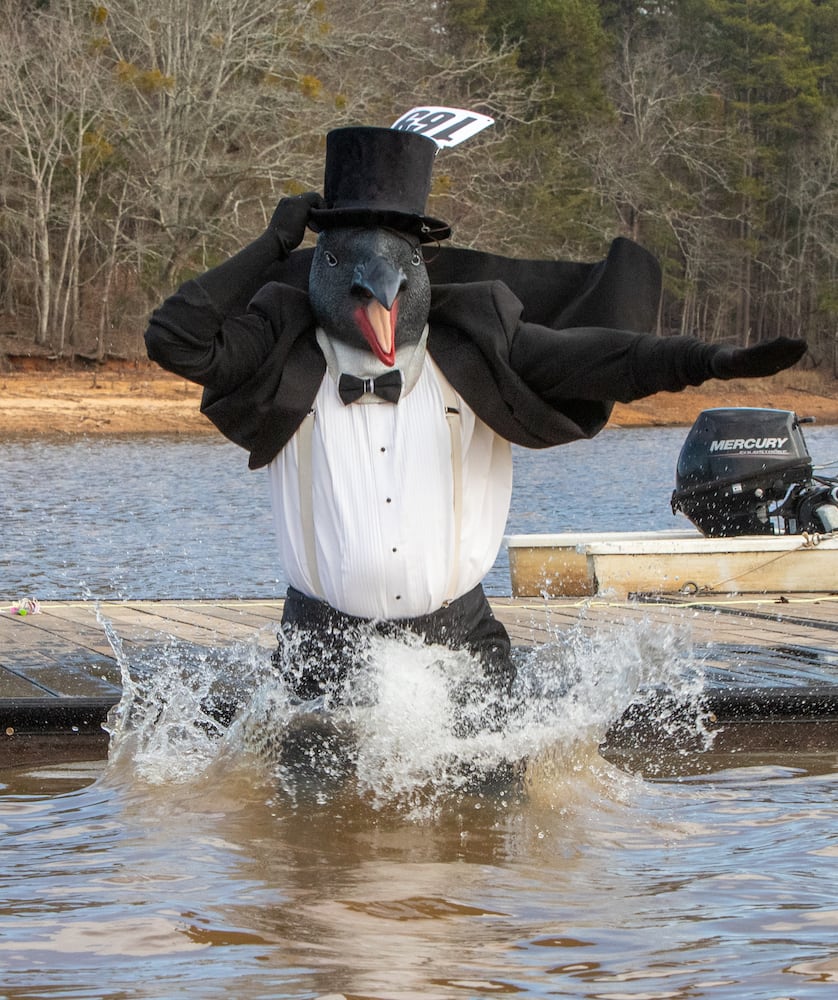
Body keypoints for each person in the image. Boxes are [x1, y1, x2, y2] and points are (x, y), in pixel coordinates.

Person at [145, 125, 806, 711]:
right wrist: (270, 245)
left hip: (458, 638)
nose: (378, 297)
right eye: (346, 264)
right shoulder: (279, 348)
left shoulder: (483, 346)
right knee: (307, 830)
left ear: (421, 270)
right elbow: (175, 338)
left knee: (490, 831)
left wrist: (713, 360)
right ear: (316, 266)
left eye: (397, 270)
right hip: (320, 645)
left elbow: (612, 359)